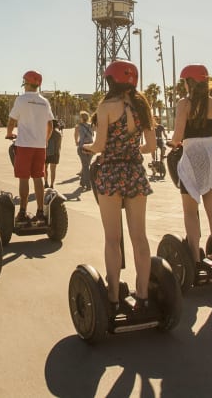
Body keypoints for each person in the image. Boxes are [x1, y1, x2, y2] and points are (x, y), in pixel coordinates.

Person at [83, 60, 156, 317]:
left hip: (111, 173)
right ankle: (143, 296)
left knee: (113, 240)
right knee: (140, 239)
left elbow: (100, 144)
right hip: (134, 172)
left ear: (111, 80)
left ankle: (113, 297)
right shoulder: (142, 106)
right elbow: (151, 146)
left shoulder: (106, 107)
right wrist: (133, 149)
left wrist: (88, 148)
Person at [170, 64, 212, 279]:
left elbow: (177, 137)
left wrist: (175, 143)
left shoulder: (184, 104)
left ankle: (194, 260)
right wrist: (206, 142)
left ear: (189, 82)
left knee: (190, 211)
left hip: (192, 156)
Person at [5, 70, 54, 224]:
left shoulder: (21, 100)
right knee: (39, 177)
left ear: (26, 83)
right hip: (40, 146)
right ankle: (40, 212)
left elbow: (12, 120)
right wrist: (44, 140)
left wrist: (9, 133)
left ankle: (22, 212)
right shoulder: (44, 102)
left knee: (24, 178)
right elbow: (50, 125)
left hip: (24, 145)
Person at [74, 111, 95, 190]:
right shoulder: (91, 125)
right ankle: (82, 182)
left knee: (85, 166)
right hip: (90, 147)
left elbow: (76, 135)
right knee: (86, 164)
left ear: (81, 118)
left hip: (82, 147)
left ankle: (88, 184)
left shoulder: (78, 126)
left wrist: (76, 142)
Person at [45, 120, 63, 188]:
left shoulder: (46, 132)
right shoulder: (59, 134)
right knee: (53, 170)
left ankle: (46, 182)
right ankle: (52, 185)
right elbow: (59, 145)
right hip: (55, 153)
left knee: (45, 168)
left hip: (46, 153)